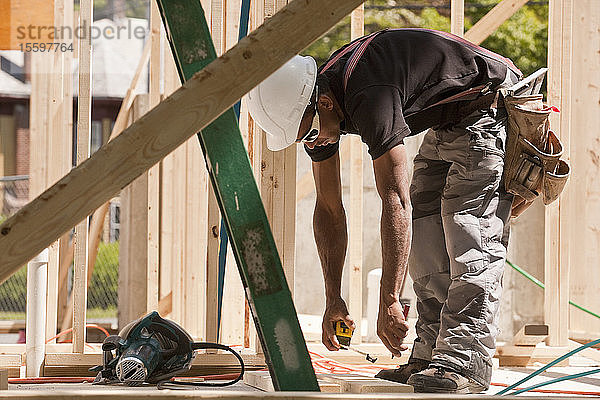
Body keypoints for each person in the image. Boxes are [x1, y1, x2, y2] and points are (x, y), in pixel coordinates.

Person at [247, 28, 522, 394]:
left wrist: (389, 298)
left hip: (488, 107)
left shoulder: (367, 93)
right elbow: (329, 208)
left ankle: (465, 360)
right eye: (305, 139)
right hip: (446, 122)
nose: (315, 143)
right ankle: (430, 353)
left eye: (311, 133)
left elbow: (395, 199)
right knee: (425, 234)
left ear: (324, 104)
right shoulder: (319, 110)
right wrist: (333, 298)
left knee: (468, 234)